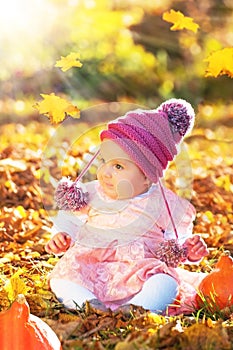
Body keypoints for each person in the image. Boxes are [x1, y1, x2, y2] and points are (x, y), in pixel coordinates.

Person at [45, 98, 208, 314]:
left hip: (139, 271)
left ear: (147, 177)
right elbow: (70, 221)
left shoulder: (164, 204)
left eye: (119, 166)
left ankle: (138, 308)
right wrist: (61, 236)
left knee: (166, 283)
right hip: (91, 267)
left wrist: (191, 250)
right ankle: (89, 305)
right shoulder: (92, 193)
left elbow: (176, 241)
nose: (106, 172)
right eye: (104, 161)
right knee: (62, 278)